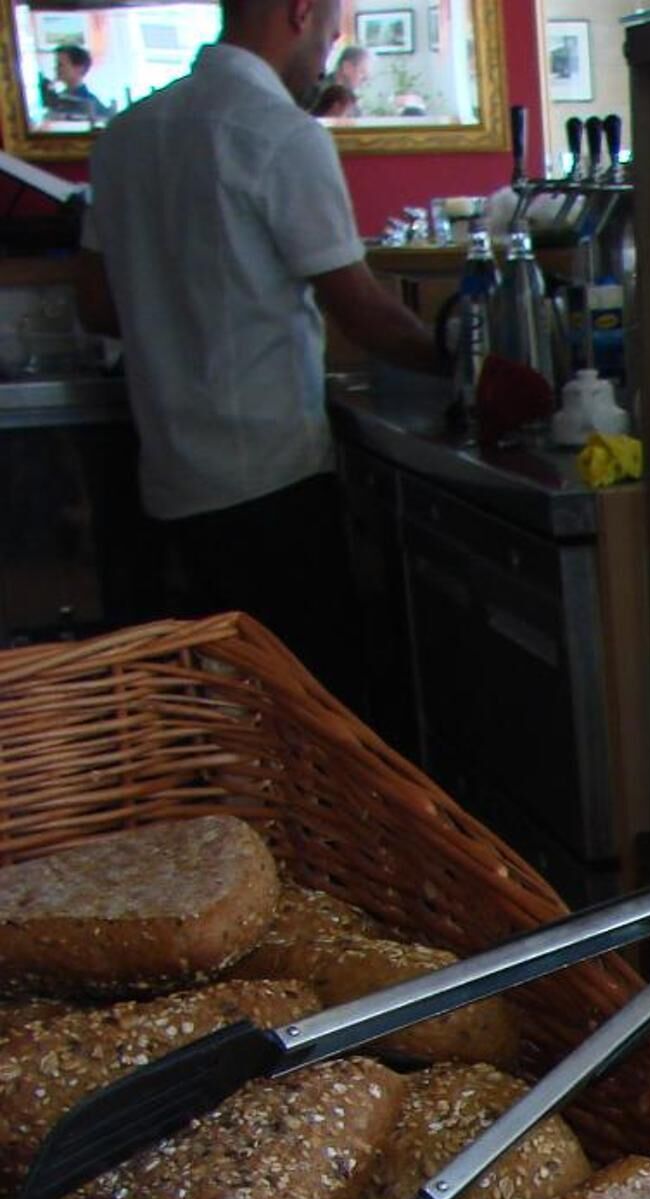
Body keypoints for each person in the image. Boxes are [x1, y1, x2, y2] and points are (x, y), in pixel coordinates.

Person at [74, 0, 445, 712]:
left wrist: (177, 312)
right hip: (270, 485)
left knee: (218, 715)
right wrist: (463, 362)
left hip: (168, 482)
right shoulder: (280, 135)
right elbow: (362, 313)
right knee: (311, 716)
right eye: (330, 36)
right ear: (300, 12)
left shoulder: (125, 136)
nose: (326, 58)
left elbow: (95, 304)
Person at [39, 45, 111, 126]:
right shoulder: (58, 98)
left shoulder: (89, 104)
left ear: (79, 68)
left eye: (60, 65)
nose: (56, 68)